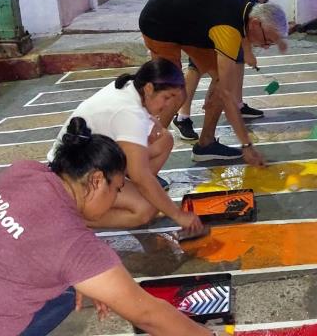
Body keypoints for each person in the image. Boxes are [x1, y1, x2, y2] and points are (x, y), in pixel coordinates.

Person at [0, 118, 214, 336]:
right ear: (96, 180)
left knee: (66, 290)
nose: (118, 196)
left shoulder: (22, 172)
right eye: (117, 189)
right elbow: (147, 314)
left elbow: (36, 229)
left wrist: (85, 277)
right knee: (73, 286)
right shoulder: (72, 245)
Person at [138, 0, 289, 165]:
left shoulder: (253, 6)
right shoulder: (229, 29)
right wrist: (247, 146)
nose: (265, 47)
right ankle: (142, 158)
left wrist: (248, 52)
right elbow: (226, 95)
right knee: (174, 92)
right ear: (256, 24)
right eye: (267, 41)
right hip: (158, 21)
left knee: (221, 79)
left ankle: (206, 144)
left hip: (190, 26)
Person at [47, 59, 204, 234]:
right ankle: (74, 218)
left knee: (164, 140)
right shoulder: (130, 113)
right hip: (71, 173)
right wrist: (178, 215)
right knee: (146, 210)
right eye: (166, 98)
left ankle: (128, 195)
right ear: (149, 88)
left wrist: (151, 124)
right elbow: (141, 176)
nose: (168, 106)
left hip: (94, 156)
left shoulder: (132, 85)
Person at [174, 0, 308, 138]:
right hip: (203, 14)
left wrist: (248, 50)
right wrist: (248, 51)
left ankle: (237, 104)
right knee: (197, 65)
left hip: (215, 12)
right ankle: (182, 117)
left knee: (236, 58)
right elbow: (246, 19)